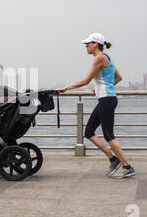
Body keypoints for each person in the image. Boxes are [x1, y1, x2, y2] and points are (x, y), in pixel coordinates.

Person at [55, 33, 135, 178]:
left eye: (88, 44)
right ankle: (113, 159)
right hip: (106, 99)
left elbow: (86, 81)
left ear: (95, 44)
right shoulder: (107, 58)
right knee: (89, 132)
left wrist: (66, 88)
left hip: (107, 100)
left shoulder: (99, 58)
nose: (86, 46)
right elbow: (119, 77)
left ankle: (127, 167)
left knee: (109, 136)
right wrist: (101, 88)